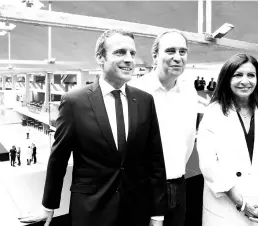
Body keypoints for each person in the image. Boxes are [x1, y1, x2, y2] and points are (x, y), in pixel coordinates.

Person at [20, 29, 167, 226]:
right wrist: (48, 206)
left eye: (132, 53)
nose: (129, 59)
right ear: (100, 57)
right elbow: (59, 158)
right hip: (90, 211)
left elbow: (155, 160)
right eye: (120, 52)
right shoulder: (74, 102)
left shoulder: (144, 101)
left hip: (135, 210)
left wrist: (157, 214)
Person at [197, 53, 258, 226]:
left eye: (251, 75)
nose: (245, 80)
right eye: (238, 75)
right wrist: (241, 203)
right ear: (226, 78)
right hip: (227, 207)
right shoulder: (213, 112)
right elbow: (208, 164)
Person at [130, 29, 198, 226]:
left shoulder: (189, 91)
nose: (178, 57)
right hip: (144, 188)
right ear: (155, 56)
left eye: (182, 52)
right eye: (170, 51)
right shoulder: (136, 91)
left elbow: (187, 139)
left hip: (179, 185)